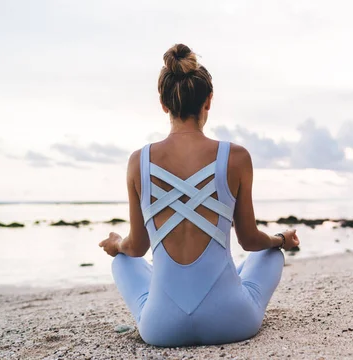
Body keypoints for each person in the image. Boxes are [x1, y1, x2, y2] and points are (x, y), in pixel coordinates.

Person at [99, 43, 300, 347]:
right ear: (209, 100)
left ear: (164, 104)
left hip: (161, 330)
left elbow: (136, 247)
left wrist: (116, 244)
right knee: (269, 254)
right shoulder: (236, 157)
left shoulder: (137, 162)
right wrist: (281, 240)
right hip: (232, 322)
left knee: (122, 262)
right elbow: (249, 240)